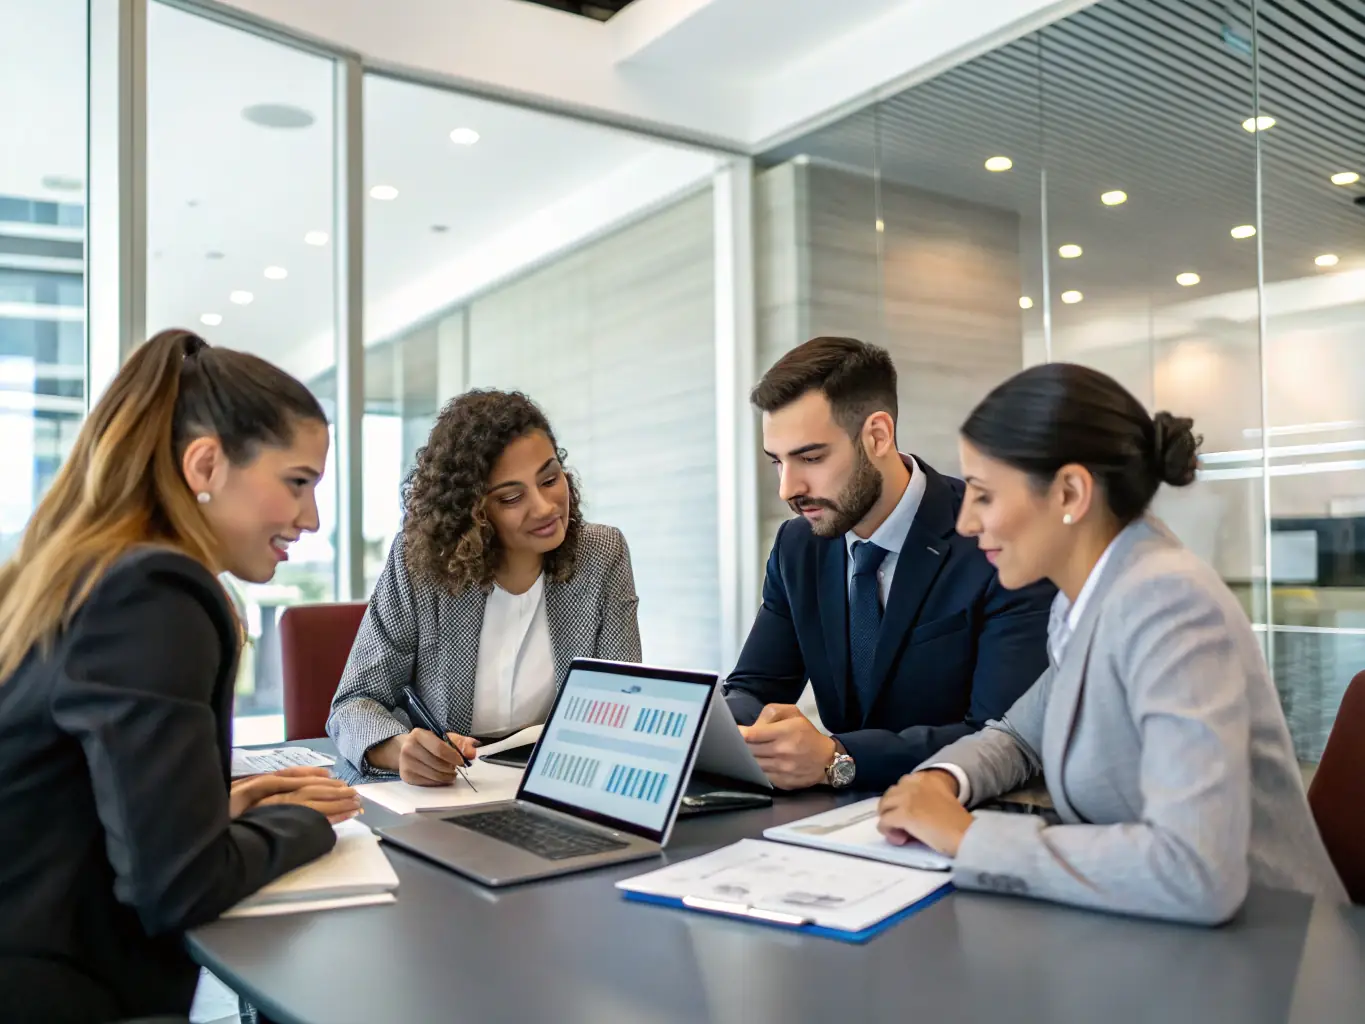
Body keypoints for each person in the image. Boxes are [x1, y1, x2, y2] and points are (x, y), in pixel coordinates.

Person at [877, 361, 1346, 924]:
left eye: (983, 495)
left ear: (1071, 491)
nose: (968, 523)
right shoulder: (1084, 600)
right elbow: (1022, 738)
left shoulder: (1168, 602)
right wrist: (940, 781)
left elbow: (1195, 869)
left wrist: (970, 838)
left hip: (1276, 954)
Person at [0, 329, 360, 1022]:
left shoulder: (84, 572)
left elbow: (59, 807)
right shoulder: (155, 591)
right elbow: (177, 887)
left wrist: (212, 814)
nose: (310, 519)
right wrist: (300, 823)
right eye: (297, 483)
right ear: (205, 465)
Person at [725, 337, 1054, 792]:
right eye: (777, 462)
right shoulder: (797, 545)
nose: (788, 488)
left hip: (963, 813)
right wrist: (733, 731)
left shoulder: (994, 539)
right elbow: (754, 688)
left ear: (877, 435)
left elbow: (1003, 734)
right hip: (832, 826)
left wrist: (837, 755)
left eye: (811, 457)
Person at [328, 389, 642, 785]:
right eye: (512, 497)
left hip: (557, 783)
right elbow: (354, 703)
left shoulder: (602, 555)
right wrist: (398, 749)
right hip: (447, 788)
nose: (545, 507)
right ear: (472, 509)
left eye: (549, 479)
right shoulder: (419, 564)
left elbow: (624, 701)